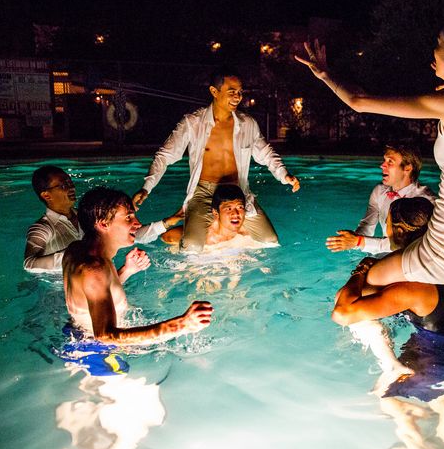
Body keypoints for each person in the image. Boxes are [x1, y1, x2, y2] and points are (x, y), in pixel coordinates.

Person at [297, 21, 444, 287]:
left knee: (363, 283)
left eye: (437, 45)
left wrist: (325, 75)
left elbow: (358, 101)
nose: (433, 52)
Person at [333, 197, 444, 449]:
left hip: (436, 361)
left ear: (396, 230)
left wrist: (361, 270)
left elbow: (343, 313)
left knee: (387, 399)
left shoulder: (413, 286)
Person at [131, 66, 300, 252]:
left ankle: (221, 226)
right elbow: (165, 156)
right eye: (231, 92)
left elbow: (266, 153)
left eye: (240, 92)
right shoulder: (192, 122)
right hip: (204, 192)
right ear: (214, 91)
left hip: (237, 192)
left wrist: (285, 176)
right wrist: (146, 188)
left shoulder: (248, 124)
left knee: (269, 240)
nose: (237, 97)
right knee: (191, 247)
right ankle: (192, 228)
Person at [63, 187, 213, 343]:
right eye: (128, 217)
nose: (137, 223)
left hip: (77, 333)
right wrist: (181, 325)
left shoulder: (76, 249)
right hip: (95, 352)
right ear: (104, 224)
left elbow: (93, 292)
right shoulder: (94, 268)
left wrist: (127, 270)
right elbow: (105, 336)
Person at [24, 166, 182, 272]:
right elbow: (29, 264)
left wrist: (167, 222)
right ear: (46, 195)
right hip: (58, 292)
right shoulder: (42, 228)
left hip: (98, 274)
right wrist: (77, 255)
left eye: (70, 182)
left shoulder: (87, 215)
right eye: (63, 185)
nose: (71, 187)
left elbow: (121, 233)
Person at [326, 144, 435, 255]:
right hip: (385, 255)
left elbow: (412, 245)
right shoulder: (379, 192)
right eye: (384, 160)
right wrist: (352, 239)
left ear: (407, 168)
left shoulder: (427, 201)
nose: (382, 165)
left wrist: (359, 242)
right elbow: (367, 225)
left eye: (390, 162)